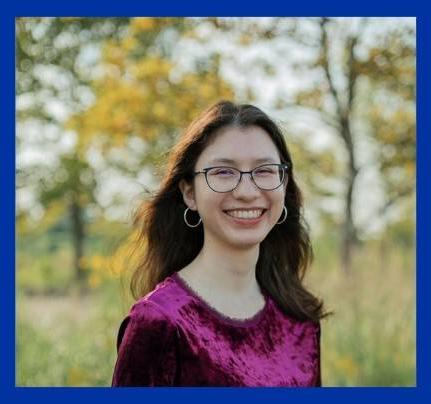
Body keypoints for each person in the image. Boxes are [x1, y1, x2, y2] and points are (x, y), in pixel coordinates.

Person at [111, 100, 328, 387]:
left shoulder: (299, 320)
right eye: (223, 172)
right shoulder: (160, 322)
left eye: (264, 170)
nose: (247, 192)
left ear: (284, 184)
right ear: (190, 193)